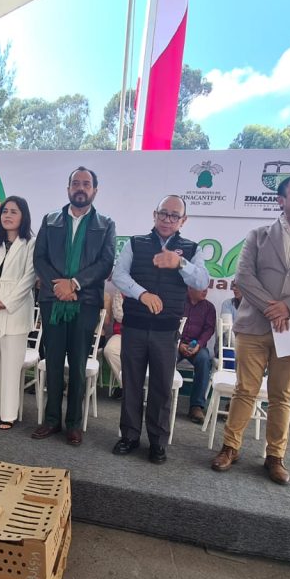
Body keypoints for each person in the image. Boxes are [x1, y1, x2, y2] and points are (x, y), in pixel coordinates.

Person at [211, 173, 290, 484]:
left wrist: (289, 307)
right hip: (254, 326)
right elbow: (244, 276)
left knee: (282, 395)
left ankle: (275, 456)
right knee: (245, 390)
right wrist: (273, 309)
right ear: (281, 200)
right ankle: (230, 447)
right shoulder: (258, 235)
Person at [111, 195, 209, 463]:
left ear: (183, 220)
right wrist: (142, 294)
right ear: (154, 214)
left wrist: (180, 263)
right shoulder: (135, 243)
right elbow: (119, 275)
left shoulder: (191, 248)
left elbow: (202, 281)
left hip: (167, 331)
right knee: (131, 383)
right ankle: (129, 436)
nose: (167, 219)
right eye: (163, 213)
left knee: (161, 387)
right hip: (134, 326)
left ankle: (157, 442)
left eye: (174, 215)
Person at [32, 166, 116, 446]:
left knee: (78, 363)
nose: (81, 188)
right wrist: (58, 286)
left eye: (86, 184)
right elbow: (39, 258)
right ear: (68, 188)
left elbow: (105, 263)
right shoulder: (50, 220)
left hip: (86, 302)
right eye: (76, 183)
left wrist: (75, 284)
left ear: (95, 190)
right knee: (53, 361)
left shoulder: (106, 224)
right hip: (52, 300)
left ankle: (74, 423)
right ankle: (51, 419)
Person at [0, 196, 36, 430]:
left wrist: (6, 302)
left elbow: (29, 278)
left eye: (14, 211)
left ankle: (8, 414)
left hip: (15, 311)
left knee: (11, 366)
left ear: (23, 216)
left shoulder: (31, 244)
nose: (8, 215)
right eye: (5, 211)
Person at [179, 286, 217, 424]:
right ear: (190, 288)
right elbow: (170, 323)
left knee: (204, 359)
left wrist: (199, 345)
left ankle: (196, 406)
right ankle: (162, 399)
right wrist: (178, 344)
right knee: (165, 358)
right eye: (201, 288)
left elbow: (209, 329)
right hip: (177, 344)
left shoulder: (209, 307)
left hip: (197, 347)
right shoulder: (178, 301)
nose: (205, 291)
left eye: (206, 288)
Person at [102, 288, 124, 398]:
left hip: (147, 334)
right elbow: (119, 315)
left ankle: (132, 388)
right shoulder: (121, 290)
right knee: (110, 350)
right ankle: (127, 386)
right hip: (122, 333)